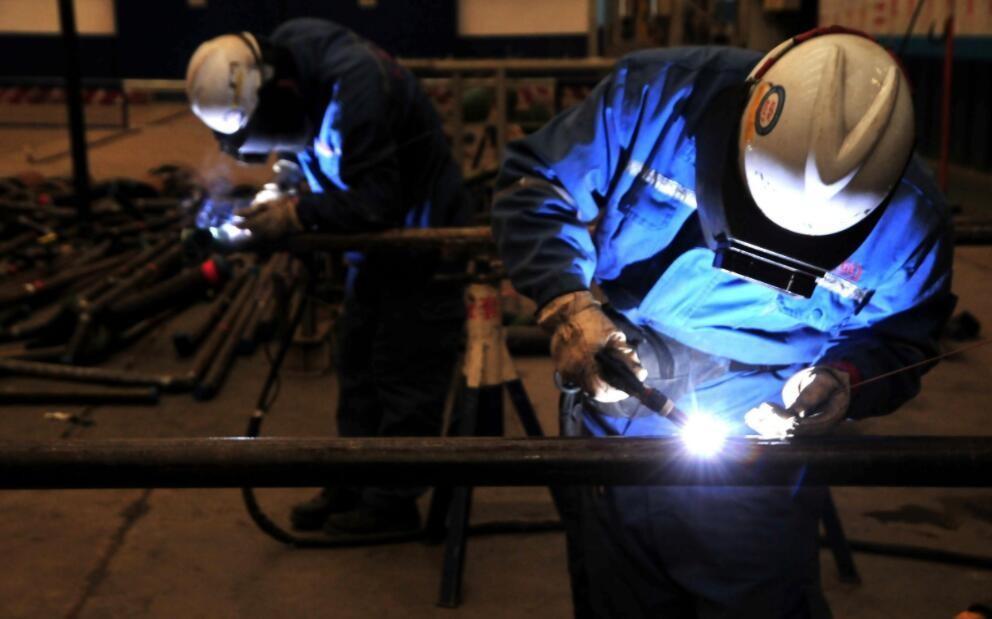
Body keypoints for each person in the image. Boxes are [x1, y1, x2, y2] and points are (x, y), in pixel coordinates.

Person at [493, 27, 955, 617]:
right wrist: (567, 306)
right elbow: (538, 184)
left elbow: (902, 336)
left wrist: (845, 380)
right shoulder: (658, 99)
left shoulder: (911, 223)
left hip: (760, 429)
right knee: (618, 591)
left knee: (755, 595)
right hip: (620, 380)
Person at [186, 18, 471, 536]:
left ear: (277, 90)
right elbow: (306, 146)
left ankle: (392, 505)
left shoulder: (354, 88)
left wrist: (297, 215)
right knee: (356, 360)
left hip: (423, 245)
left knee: (402, 370)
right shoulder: (292, 60)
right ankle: (352, 481)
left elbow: (378, 202)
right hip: (375, 251)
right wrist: (284, 185)